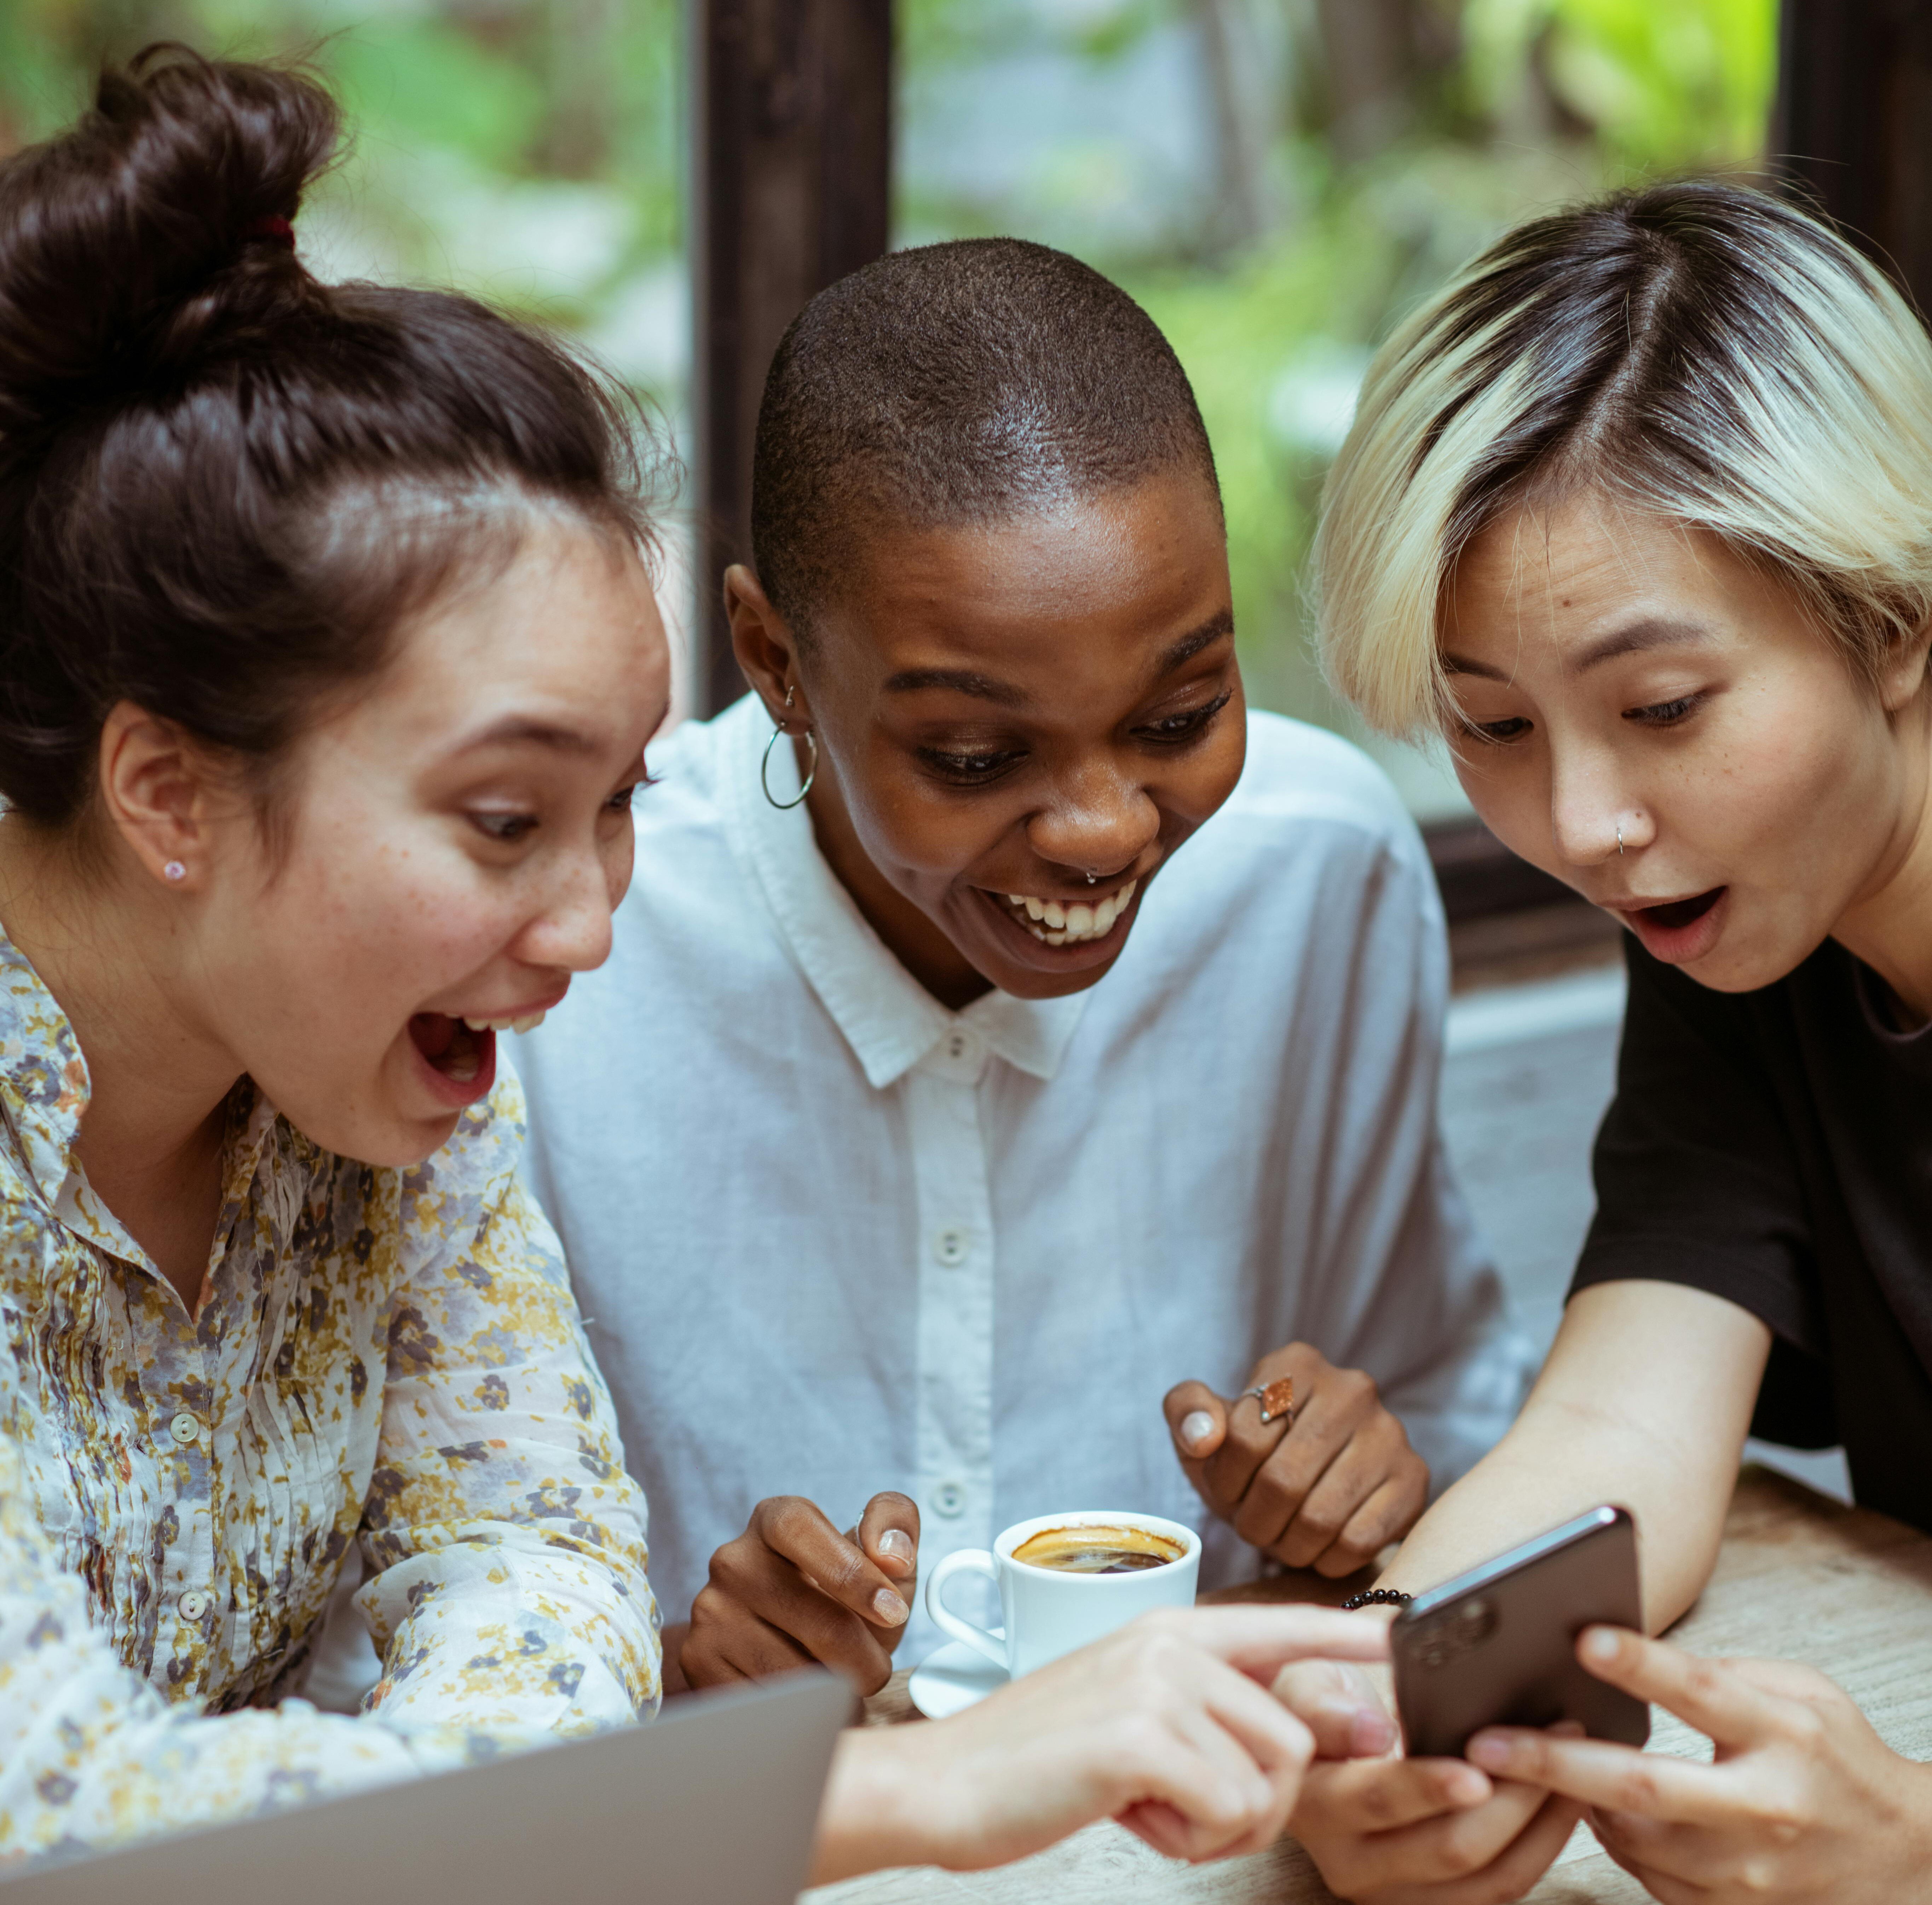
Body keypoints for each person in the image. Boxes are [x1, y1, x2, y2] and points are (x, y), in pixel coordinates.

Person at [0, 46, 1393, 1879]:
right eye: (504, 820)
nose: (589, 925)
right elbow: (63, 1815)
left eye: (616, 806)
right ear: (168, 788)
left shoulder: (369, 1081)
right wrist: (909, 1786)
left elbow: (544, 1578)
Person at [512, 236, 1536, 1692]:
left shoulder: (1314, 873)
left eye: (1181, 714)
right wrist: (665, 1678)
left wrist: (1368, 1488)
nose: (1106, 827)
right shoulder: (571, 966)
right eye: (977, 755)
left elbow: (1451, 1413)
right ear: (774, 659)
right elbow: (398, 1632)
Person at [1276, 179, 1932, 1904]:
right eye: (1490, 725)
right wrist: (1383, 1706)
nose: (1581, 824)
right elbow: (1619, 1441)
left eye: (1660, 711)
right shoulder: (1743, 924)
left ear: (1892, 618)